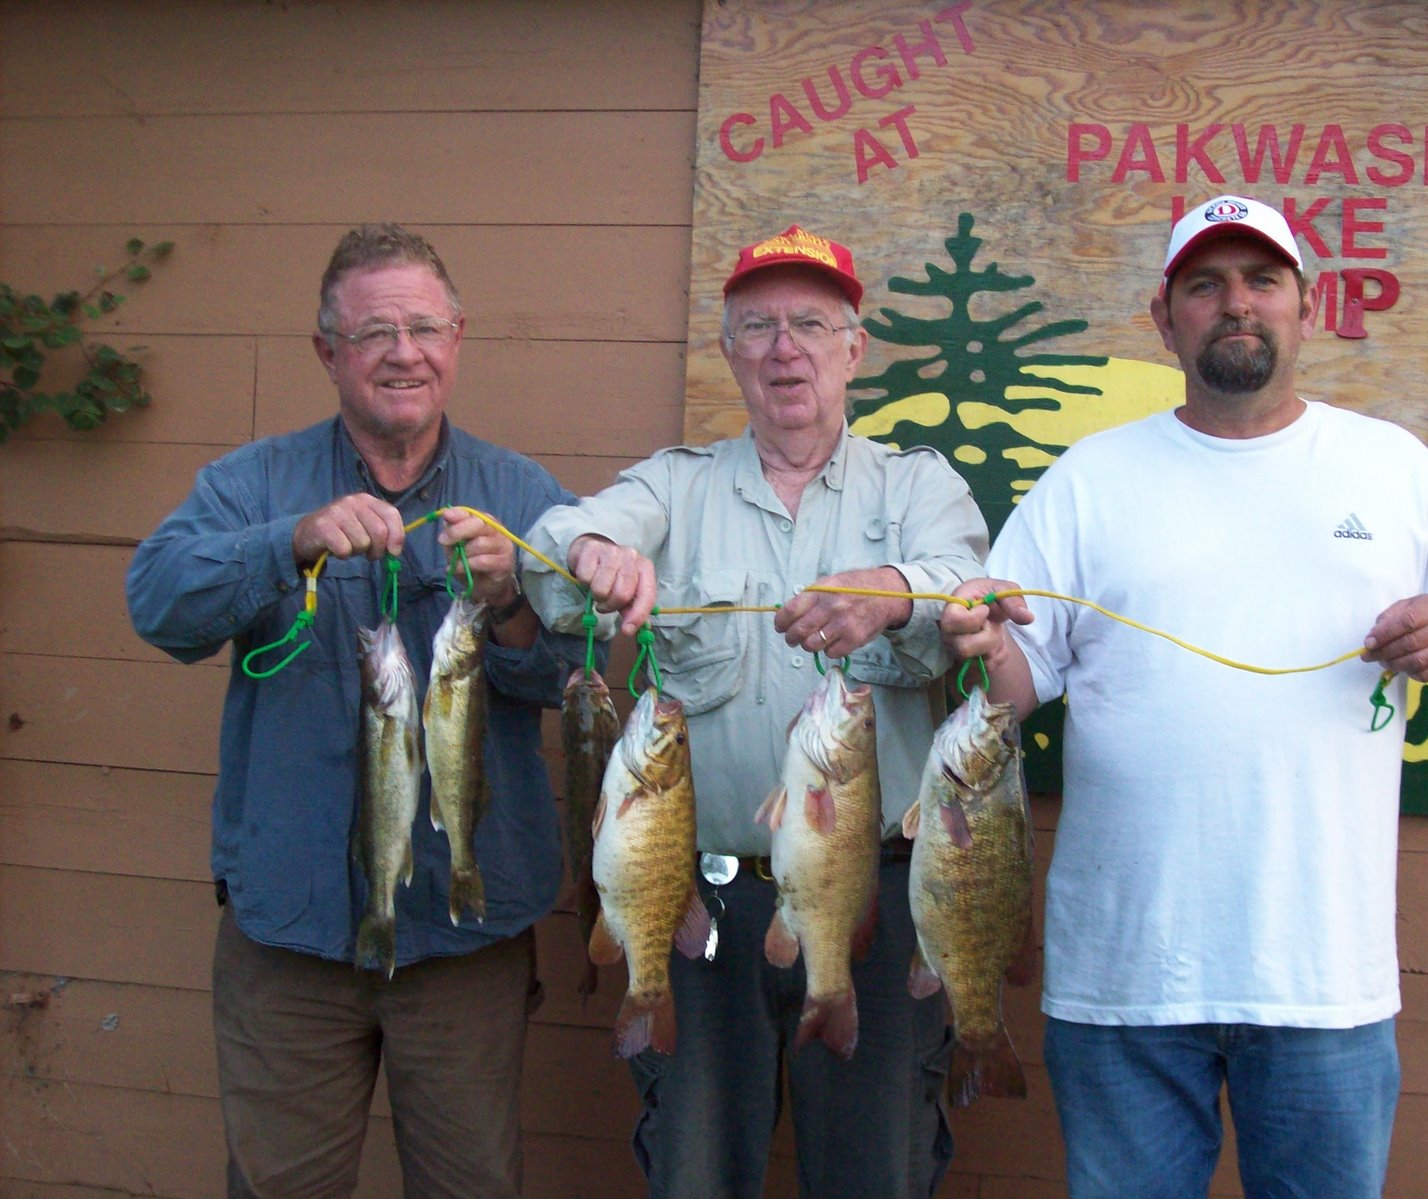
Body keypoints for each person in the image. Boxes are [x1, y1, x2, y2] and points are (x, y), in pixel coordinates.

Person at [940, 194, 1428, 1199]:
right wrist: (979, 640)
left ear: (1307, 307)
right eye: (1205, 285)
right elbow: (1012, 688)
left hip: (1322, 982)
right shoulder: (1090, 478)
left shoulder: (1390, 466)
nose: (1237, 304)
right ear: (1163, 315)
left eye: (1263, 280)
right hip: (1126, 982)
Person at [522, 224, 988, 1198]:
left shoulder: (916, 485)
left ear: (854, 348)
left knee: (874, 1176)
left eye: (811, 324)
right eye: (759, 326)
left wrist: (895, 590)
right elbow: (554, 554)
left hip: (874, 901)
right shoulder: (674, 486)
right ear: (728, 350)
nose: (785, 348)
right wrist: (594, 553)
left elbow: (967, 585)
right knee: (695, 1176)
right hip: (700, 907)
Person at [125, 223, 591, 1198]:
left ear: (457, 338)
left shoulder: (522, 495)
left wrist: (510, 599)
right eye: (374, 331)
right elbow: (159, 606)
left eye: (423, 327)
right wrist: (287, 542)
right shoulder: (251, 483)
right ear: (326, 351)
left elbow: (570, 677)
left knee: (471, 1183)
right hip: (289, 929)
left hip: (465, 932)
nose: (402, 352)